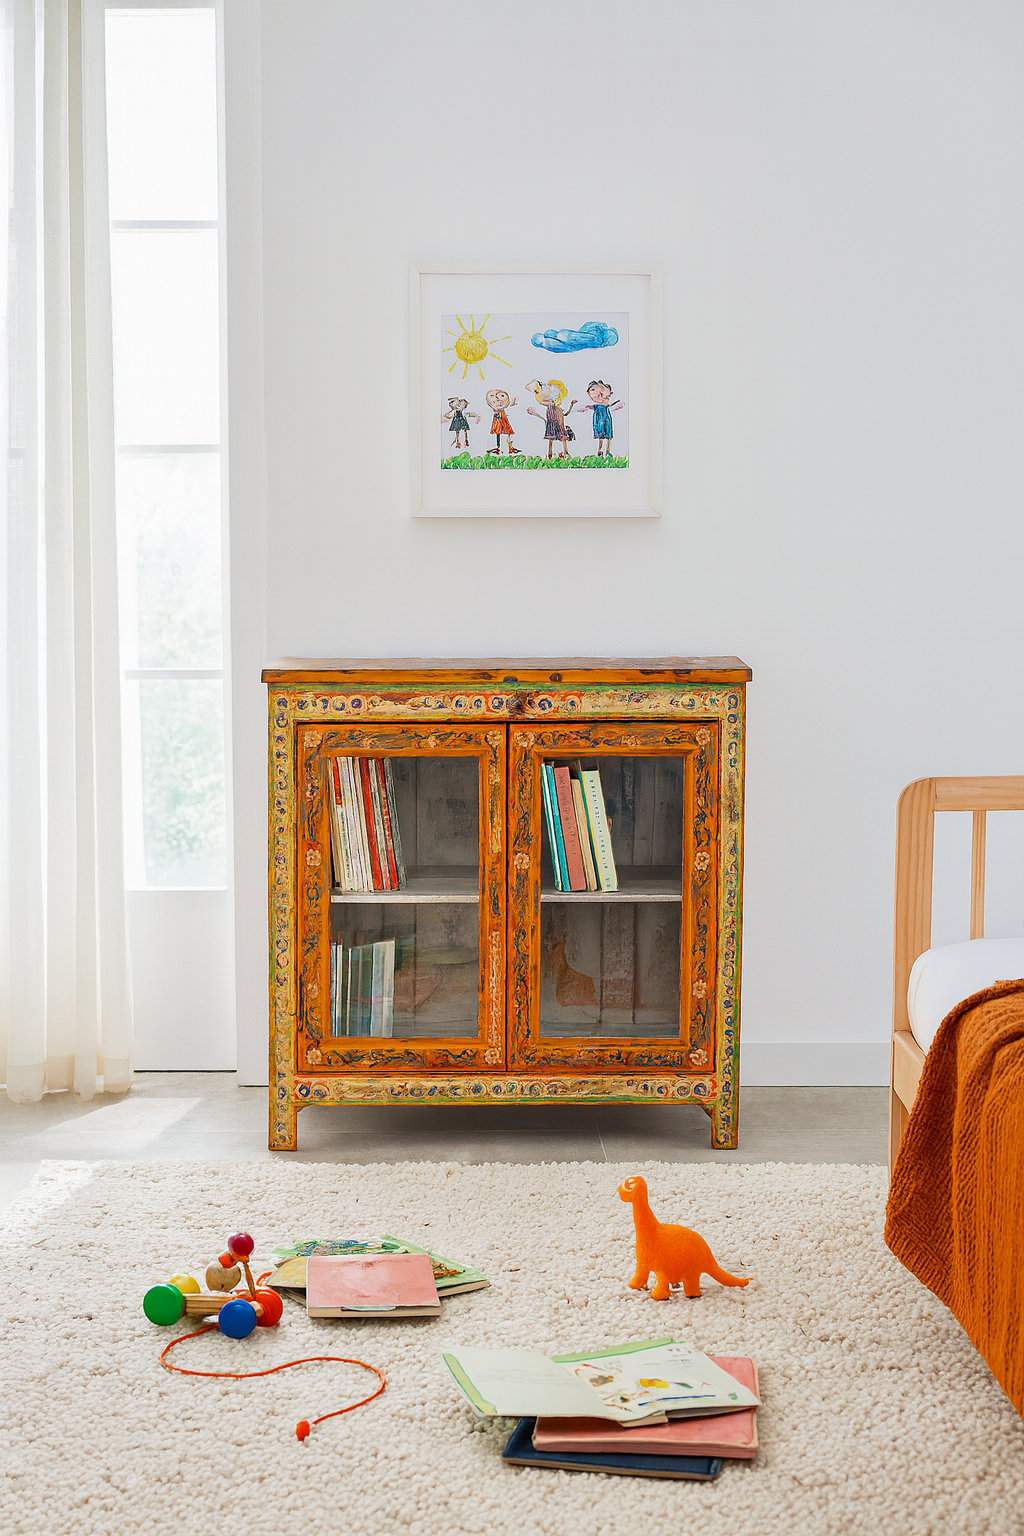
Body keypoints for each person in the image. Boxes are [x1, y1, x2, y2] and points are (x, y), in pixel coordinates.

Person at [525, 378, 577, 459]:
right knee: (551, 438)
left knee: (562, 437)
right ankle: (550, 454)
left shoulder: (558, 408)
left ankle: (565, 452)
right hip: (551, 426)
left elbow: (565, 414)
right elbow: (546, 420)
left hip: (560, 425)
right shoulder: (549, 409)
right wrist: (535, 414)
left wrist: (571, 405)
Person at [576, 379, 623, 457]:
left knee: (607, 434)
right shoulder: (597, 404)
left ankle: (607, 451)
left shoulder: (604, 400)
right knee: (601, 435)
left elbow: (609, 405)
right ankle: (600, 451)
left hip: (605, 416)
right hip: (599, 417)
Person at [485, 388, 520, 455]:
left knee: (506, 433)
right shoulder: (495, 410)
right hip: (498, 420)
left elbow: (509, 404)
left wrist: (514, 402)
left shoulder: (501, 409)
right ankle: (498, 447)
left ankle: (508, 447)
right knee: (498, 433)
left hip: (502, 420)